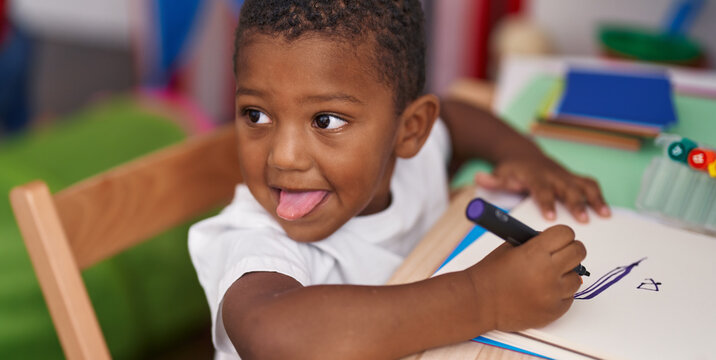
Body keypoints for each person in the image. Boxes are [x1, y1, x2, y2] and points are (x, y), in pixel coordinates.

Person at [189, 1, 610, 359]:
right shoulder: (256, 239)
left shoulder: (415, 160)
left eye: (325, 120)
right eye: (256, 115)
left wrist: (527, 157)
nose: (283, 156)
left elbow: (458, 118)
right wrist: (484, 298)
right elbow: (274, 336)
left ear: (409, 130)